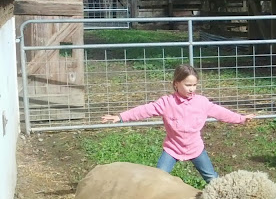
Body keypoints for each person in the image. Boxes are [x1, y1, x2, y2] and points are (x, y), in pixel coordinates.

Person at [101, 64, 255, 182]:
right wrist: (120, 117)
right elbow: (144, 110)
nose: (192, 89)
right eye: (188, 85)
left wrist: (241, 118)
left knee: (212, 179)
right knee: (157, 179)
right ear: (176, 84)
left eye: (194, 85)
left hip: (195, 148)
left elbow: (221, 112)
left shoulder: (202, 102)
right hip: (172, 148)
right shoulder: (166, 102)